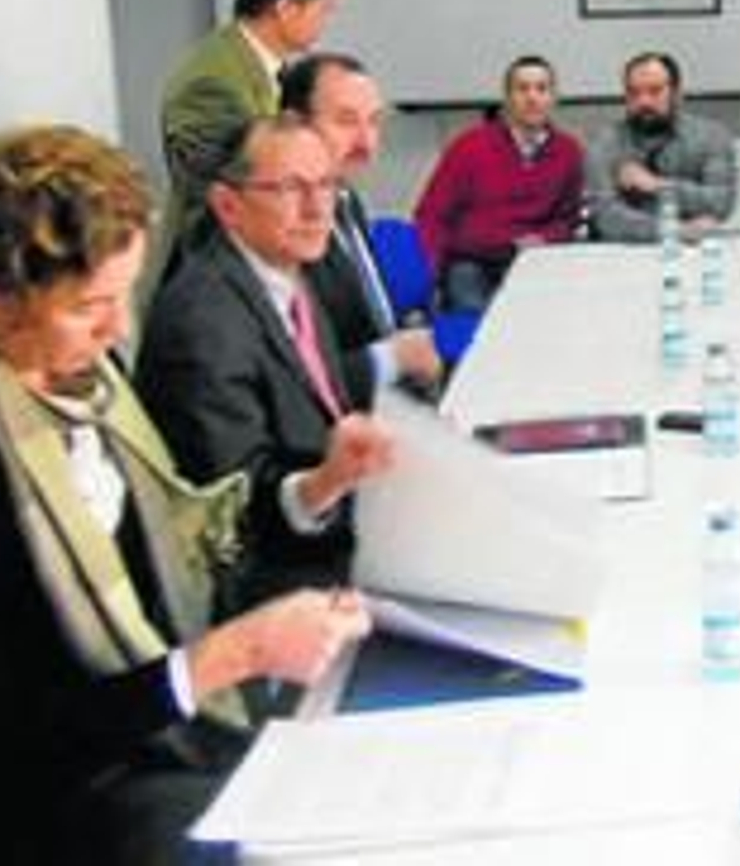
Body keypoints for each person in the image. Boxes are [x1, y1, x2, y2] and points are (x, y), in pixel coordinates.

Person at [0, 125, 381, 866]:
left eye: (123, 296)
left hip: (161, 735)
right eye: (89, 306)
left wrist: (325, 480)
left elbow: (188, 530)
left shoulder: (91, 387)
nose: (118, 329)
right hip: (67, 803)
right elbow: (17, 743)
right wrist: (228, 656)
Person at [137, 115, 386, 598]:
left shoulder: (287, 272)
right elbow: (236, 512)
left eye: (326, 185)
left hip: (333, 536)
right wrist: (326, 482)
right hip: (270, 585)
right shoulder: (202, 320)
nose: (317, 209)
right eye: (290, 189)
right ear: (228, 205)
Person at [157, 0, 344, 269]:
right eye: (325, 9)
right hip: (222, 277)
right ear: (285, 8)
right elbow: (228, 203)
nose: (327, 22)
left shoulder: (270, 70)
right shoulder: (209, 84)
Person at [279, 53, 443, 400]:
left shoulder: (345, 200)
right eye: (346, 121)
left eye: (374, 122)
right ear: (294, 125)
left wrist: (404, 344)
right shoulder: (277, 227)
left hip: (386, 400)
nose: (366, 142)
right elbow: (287, 382)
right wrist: (392, 358)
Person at [412, 54, 586, 309]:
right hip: (473, 263)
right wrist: (429, 278)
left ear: (554, 98)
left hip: (538, 262)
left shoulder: (569, 151)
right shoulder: (468, 146)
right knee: (478, 321)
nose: (532, 98)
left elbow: (570, 219)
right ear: (507, 98)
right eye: (522, 89)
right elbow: (431, 216)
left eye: (541, 89)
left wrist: (542, 238)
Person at [586, 52, 736, 244]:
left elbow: (721, 203)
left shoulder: (711, 136)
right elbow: (605, 217)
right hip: (626, 252)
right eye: (633, 93)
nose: (644, 102)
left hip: (695, 252)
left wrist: (656, 185)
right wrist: (675, 231)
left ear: (677, 94)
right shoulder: (606, 143)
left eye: (655, 91)